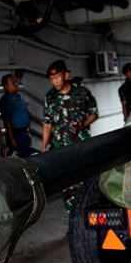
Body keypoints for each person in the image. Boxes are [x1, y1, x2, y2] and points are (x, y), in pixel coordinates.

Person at [41, 59, 98, 211]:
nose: (54, 81)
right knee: (67, 184)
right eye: (51, 79)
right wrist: (44, 146)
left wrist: (83, 125)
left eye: (57, 77)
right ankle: (73, 218)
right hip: (61, 149)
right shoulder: (50, 97)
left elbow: (94, 113)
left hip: (82, 145)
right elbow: (47, 123)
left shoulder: (82, 92)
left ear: (66, 75)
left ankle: (88, 214)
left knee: (87, 180)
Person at [0, 73, 33, 158]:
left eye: (16, 82)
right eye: (12, 83)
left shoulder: (18, 97)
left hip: (24, 132)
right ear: (6, 86)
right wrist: (12, 138)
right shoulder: (6, 100)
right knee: (22, 159)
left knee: (28, 156)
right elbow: (7, 120)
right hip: (16, 134)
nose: (16, 84)